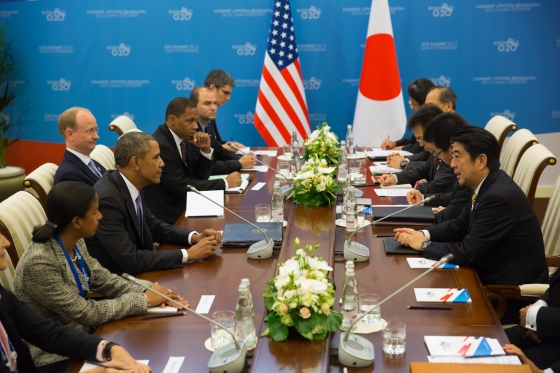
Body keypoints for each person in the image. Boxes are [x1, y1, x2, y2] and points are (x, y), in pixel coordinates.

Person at [14, 181, 187, 371]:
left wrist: (148, 289)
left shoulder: (74, 240)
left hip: (85, 338)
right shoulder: (40, 263)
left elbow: (103, 279)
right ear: (76, 222)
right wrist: (143, 300)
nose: (100, 216)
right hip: (55, 357)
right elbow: (86, 313)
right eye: (95, 212)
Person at [393, 127, 547, 291]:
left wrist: (424, 245)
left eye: (457, 157)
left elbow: (467, 253)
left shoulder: (497, 198)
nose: (452, 164)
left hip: (507, 293)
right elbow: (459, 225)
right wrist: (422, 234)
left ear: (481, 161)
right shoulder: (488, 184)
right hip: (488, 277)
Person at [0, 234, 149, 373]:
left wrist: (107, 348)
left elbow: (48, 333)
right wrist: (101, 370)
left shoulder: (2, 295)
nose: (6, 242)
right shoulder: (39, 260)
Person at [85, 131, 222, 275]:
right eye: (156, 157)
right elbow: (131, 260)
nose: (162, 163)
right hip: (119, 281)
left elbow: (154, 227)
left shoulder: (132, 183)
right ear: (135, 162)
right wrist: (189, 254)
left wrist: (195, 237)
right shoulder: (107, 200)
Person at [143, 97, 241, 224]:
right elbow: (184, 186)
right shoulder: (161, 146)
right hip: (168, 217)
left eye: (196, 120)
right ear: (172, 120)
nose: (195, 126)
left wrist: (205, 150)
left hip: (187, 205)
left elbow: (200, 177)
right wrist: (225, 183)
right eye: (190, 121)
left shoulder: (184, 138)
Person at [405, 113, 472, 223]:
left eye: (437, 153)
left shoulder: (467, 174)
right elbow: (456, 196)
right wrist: (423, 199)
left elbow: (452, 219)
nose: (452, 165)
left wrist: (446, 212)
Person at [379, 105, 455, 195]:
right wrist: (394, 177)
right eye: (418, 140)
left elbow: (437, 187)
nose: (421, 144)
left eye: (422, 139)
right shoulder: (435, 153)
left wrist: (420, 184)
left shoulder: (450, 154)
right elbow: (422, 171)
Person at [504, 268, 560, 372]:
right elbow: (553, 289)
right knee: (487, 340)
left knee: (496, 364)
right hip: (539, 330)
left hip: (555, 350)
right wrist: (535, 309)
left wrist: (535, 315)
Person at [190, 86, 255, 174]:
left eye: (215, 103)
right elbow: (207, 167)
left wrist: (246, 158)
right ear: (194, 106)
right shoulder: (191, 131)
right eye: (207, 103)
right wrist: (239, 163)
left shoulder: (208, 126)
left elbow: (220, 152)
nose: (213, 108)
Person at [54, 107, 106, 186]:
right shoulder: (69, 176)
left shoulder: (92, 163)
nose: (96, 136)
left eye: (96, 130)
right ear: (70, 134)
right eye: (90, 131)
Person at [381, 78, 435, 151]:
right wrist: (395, 144)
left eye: (414, 104)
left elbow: (422, 148)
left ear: (425, 104)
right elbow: (414, 139)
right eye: (410, 103)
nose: (411, 107)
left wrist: (402, 148)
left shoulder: (435, 120)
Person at [204, 69, 245, 153]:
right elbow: (199, 152)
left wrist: (230, 145)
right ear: (212, 88)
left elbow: (216, 143)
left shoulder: (212, 110)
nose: (228, 98)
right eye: (226, 93)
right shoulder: (195, 113)